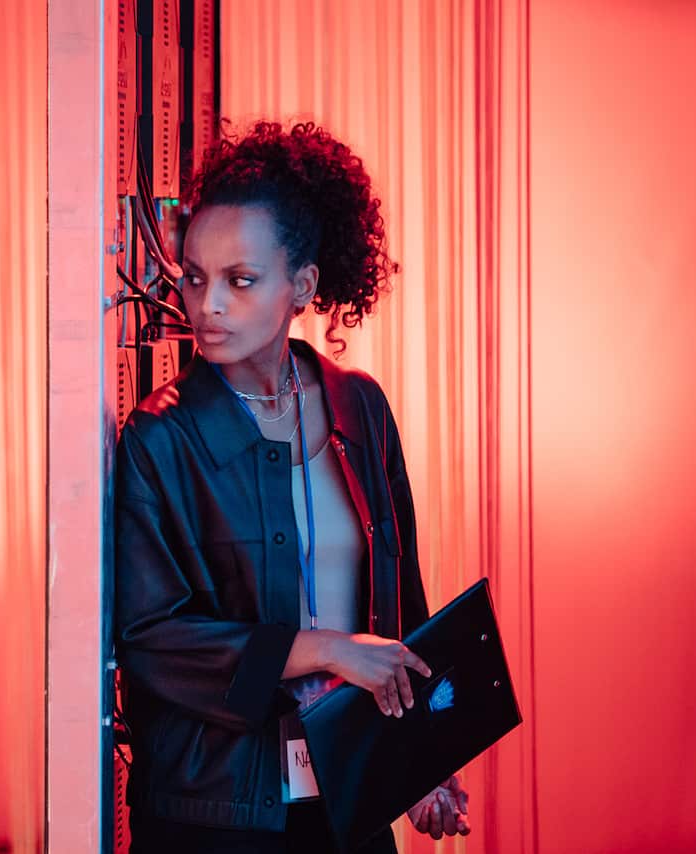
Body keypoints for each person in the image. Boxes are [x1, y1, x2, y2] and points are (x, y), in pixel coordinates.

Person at [113, 121, 472, 853]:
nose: (206, 304)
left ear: (301, 285)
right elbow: (153, 645)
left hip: (350, 798)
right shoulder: (161, 439)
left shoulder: (359, 408)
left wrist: (424, 765)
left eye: (240, 281)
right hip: (217, 814)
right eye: (193, 276)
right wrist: (329, 650)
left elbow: (401, 610)